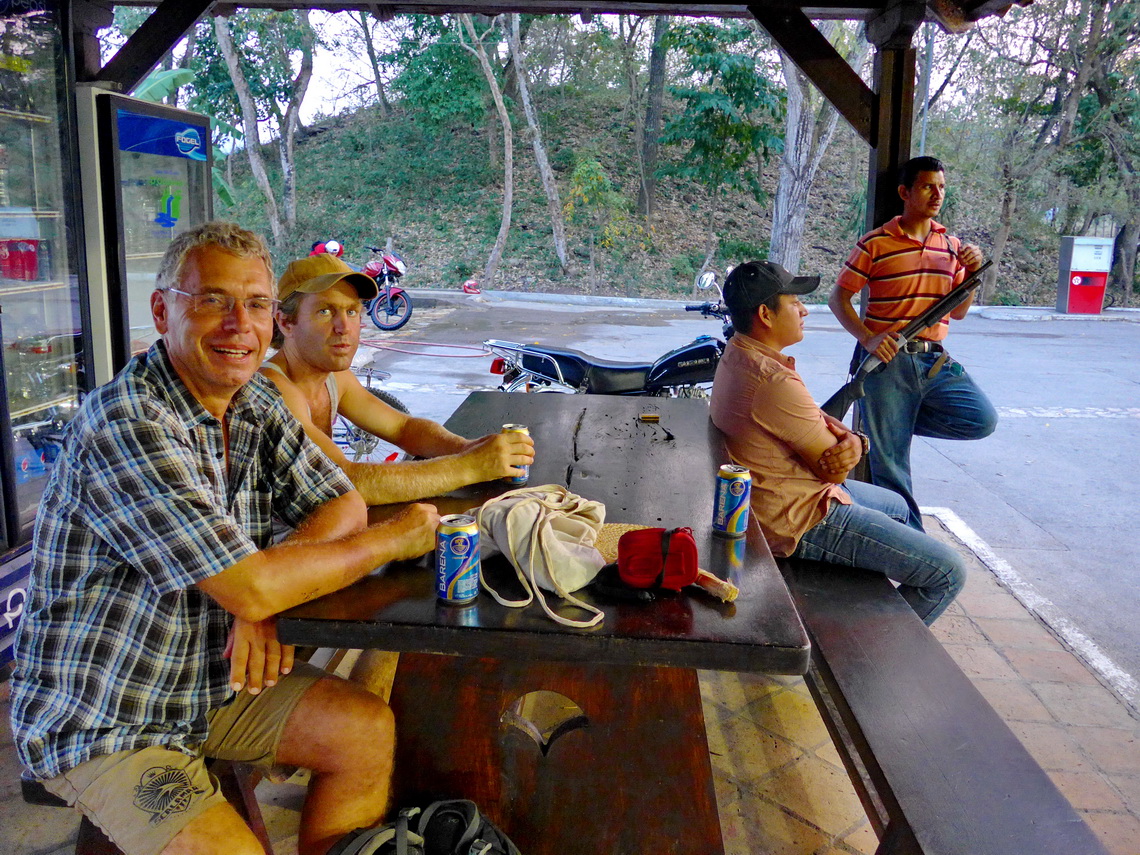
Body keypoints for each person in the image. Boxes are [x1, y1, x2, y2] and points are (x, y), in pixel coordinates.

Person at [9, 222, 440, 855]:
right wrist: (391, 540)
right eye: (212, 299)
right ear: (163, 310)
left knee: (365, 730)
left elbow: (342, 503)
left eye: (257, 304)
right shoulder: (128, 421)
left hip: (208, 683)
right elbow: (252, 582)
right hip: (108, 717)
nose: (239, 323)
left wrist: (260, 597)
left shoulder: (251, 399)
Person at [710, 261, 966, 624]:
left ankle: (880, 596)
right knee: (947, 572)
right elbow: (834, 469)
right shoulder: (771, 380)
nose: (804, 309)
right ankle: (878, 652)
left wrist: (853, 441)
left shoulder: (741, 354)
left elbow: (816, 421)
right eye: (794, 302)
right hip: (798, 518)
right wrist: (856, 445)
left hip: (776, 498)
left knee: (897, 505)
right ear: (766, 314)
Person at [261, 252, 534, 506]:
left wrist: (466, 448)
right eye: (325, 311)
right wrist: (471, 465)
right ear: (286, 323)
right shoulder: (274, 390)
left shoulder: (334, 377)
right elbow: (346, 481)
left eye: (352, 311)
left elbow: (403, 428)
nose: (344, 327)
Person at [828, 155, 997, 529]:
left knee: (981, 419)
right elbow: (838, 298)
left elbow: (960, 311)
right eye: (926, 186)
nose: (937, 194)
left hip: (935, 362)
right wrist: (867, 338)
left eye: (941, 187)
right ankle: (914, 549)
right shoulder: (875, 243)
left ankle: (890, 422)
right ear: (905, 192)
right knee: (892, 473)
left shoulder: (951, 245)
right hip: (888, 363)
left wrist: (970, 271)